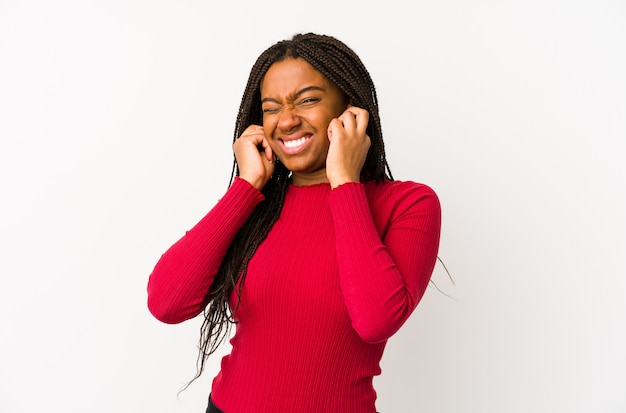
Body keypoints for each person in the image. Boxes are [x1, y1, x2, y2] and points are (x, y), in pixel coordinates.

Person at [147, 32, 441, 413]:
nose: (286, 120)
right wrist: (247, 184)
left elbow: (374, 321)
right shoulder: (258, 203)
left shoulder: (408, 205)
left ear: (350, 108)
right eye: (271, 108)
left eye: (307, 100)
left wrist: (345, 183)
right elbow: (167, 303)